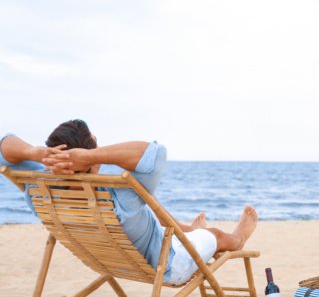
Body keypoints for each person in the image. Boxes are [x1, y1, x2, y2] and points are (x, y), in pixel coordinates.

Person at [0, 119, 258, 285]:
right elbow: (155, 153)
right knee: (214, 234)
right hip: (168, 267)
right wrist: (91, 155)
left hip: (104, 259)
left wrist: (34, 153)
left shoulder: (40, 188)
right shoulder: (117, 197)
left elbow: (5, 144)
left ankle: (185, 230)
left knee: (143, 203)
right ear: (89, 156)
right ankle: (236, 237)